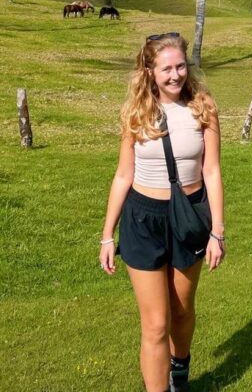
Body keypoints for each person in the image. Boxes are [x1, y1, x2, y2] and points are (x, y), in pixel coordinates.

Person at [99, 32, 225, 392]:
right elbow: (123, 174)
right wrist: (108, 235)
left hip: (188, 216)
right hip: (142, 219)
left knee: (182, 311)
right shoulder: (136, 113)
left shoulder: (204, 108)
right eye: (166, 68)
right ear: (149, 71)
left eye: (181, 66)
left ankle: (179, 370)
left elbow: (212, 171)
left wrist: (218, 231)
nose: (175, 75)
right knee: (155, 324)